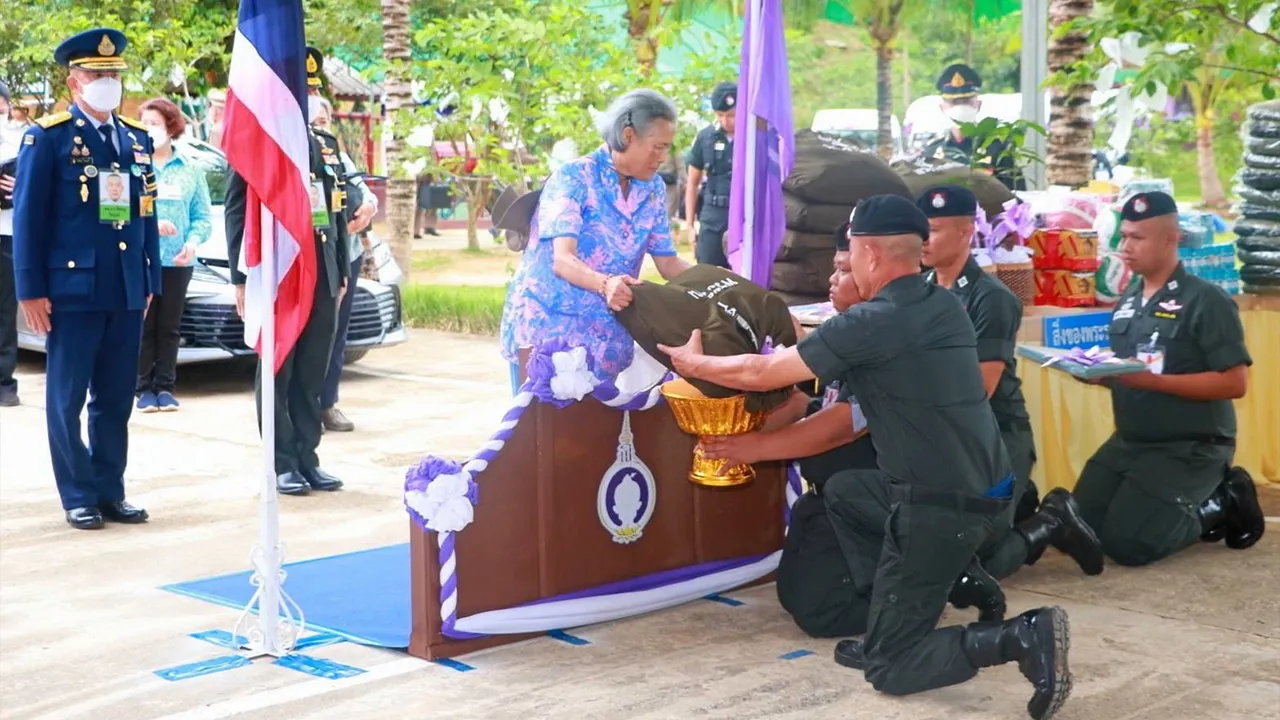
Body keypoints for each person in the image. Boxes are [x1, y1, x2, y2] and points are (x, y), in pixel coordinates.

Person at [659, 195, 1079, 720]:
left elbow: (761, 375)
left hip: (939, 506)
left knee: (889, 668)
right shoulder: (940, 303)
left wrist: (692, 360)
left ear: (873, 257)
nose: (848, 265)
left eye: (852, 254)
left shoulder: (874, 322)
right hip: (984, 490)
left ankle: (1019, 636)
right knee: (848, 493)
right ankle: (906, 609)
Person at [12, 28, 160, 529]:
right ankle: (77, 493)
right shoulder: (47, 137)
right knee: (67, 398)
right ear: (75, 81)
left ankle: (109, 490)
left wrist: (149, 280)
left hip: (123, 289)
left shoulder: (136, 139)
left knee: (116, 398)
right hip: (71, 291)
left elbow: (143, 215)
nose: (107, 83)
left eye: (114, 75)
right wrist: (30, 289)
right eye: (97, 75)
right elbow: (29, 219)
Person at [1068, 191, 1264, 565]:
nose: (1126, 246)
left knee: (1130, 546)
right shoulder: (1128, 300)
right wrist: (1098, 374)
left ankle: (1222, 501)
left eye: (1137, 238)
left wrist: (1154, 383)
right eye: (1123, 236)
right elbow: (1133, 371)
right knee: (1083, 527)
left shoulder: (1206, 300)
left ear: (1170, 240)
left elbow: (1234, 383)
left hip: (1189, 445)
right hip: (1130, 442)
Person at [225, 44, 361, 497]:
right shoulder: (259, 145)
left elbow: (338, 213)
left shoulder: (324, 142)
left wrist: (340, 268)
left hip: (321, 269)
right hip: (280, 271)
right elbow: (236, 211)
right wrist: (241, 277)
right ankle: (281, 460)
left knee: (312, 372)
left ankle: (307, 456)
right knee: (278, 367)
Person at [498, 89, 692, 394]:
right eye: (657, 147)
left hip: (606, 338)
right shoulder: (575, 177)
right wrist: (606, 284)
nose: (663, 158)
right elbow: (562, 260)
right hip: (548, 335)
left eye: (667, 148)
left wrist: (720, 285)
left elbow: (667, 262)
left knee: (593, 438)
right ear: (628, 135)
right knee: (540, 436)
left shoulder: (652, 188)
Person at [919, 185, 1040, 524]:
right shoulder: (917, 291)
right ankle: (1019, 502)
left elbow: (979, 390)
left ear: (966, 232)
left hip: (994, 435)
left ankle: (1050, 522)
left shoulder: (991, 298)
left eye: (933, 230)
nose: (923, 239)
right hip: (941, 433)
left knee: (977, 552)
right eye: (919, 230)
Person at [305, 57, 377, 433]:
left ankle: (328, 402)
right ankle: (301, 407)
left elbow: (363, 191)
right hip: (311, 254)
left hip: (344, 255)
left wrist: (366, 209)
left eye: (324, 122)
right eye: (308, 93)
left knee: (336, 332)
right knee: (310, 335)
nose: (320, 128)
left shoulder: (336, 151)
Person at [134, 97, 213, 412]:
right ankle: (142, 388)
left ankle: (165, 387)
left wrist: (193, 242)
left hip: (178, 260)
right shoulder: (133, 166)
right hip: (142, 258)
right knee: (144, 323)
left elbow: (203, 217)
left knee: (169, 325)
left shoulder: (191, 169)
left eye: (156, 123)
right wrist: (151, 223)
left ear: (171, 126)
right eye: (145, 124)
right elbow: (120, 211)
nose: (150, 129)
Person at [924, 64, 1023, 191]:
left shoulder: (997, 148)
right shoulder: (932, 150)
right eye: (954, 103)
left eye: (966, 101)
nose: (960, 108)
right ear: (942, 108)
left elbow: (1015, 193)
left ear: (978, 105)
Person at [684, 82, 737, 268]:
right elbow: (692, 183)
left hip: (742, 215)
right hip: (713, 215)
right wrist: (690, 225)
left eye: (731, 115)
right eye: (720, 115)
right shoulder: (706, 137)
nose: (725, 121)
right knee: (707, 273)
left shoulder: (755, 138)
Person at [1, 80, 21, 407]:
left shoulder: (21, 143)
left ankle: (4, 381)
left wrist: (21, 188)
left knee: (5, 311)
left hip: (8, 234)